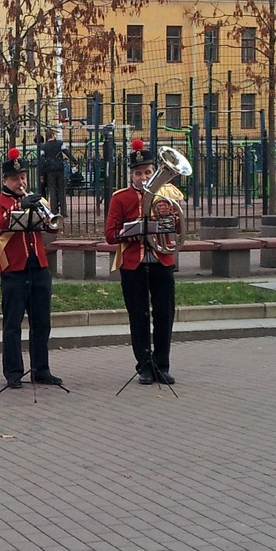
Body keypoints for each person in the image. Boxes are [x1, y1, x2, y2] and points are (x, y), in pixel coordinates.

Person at [0, 147, 64, 390]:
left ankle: (41, 370)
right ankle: (13, 372)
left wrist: (43, 210)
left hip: (38, 266)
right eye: (16, 178)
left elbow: (52, 228)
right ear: (5, 180)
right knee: (12, 324)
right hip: (14, 269)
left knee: (42, 322)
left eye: (23, 177)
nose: (21, 182)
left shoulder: (36, 200)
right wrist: (17, 206)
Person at [104, 138, 182, 386]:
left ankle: (163, 364)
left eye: (147, 172)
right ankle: (144, 366)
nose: (143, 177)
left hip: (162, 260)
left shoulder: (167, 194)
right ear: (131, 175)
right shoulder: (121, 198)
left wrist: (169, 220)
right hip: (133, 264)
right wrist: (132, 231)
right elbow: (110, 235)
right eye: (138, 173)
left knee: (164, 314)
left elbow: (180, 228)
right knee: (138, 316)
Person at [39, 130, 76, 217]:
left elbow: (41, 159)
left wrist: (42, 172)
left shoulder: (44, 147)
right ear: (53, 135)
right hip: (59, 169)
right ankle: (63, 211)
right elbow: (67, 152)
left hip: (50, 170)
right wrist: (74, 160)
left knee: (52, 190)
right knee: (61, 190)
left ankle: (54, 211)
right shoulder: (60, 143)